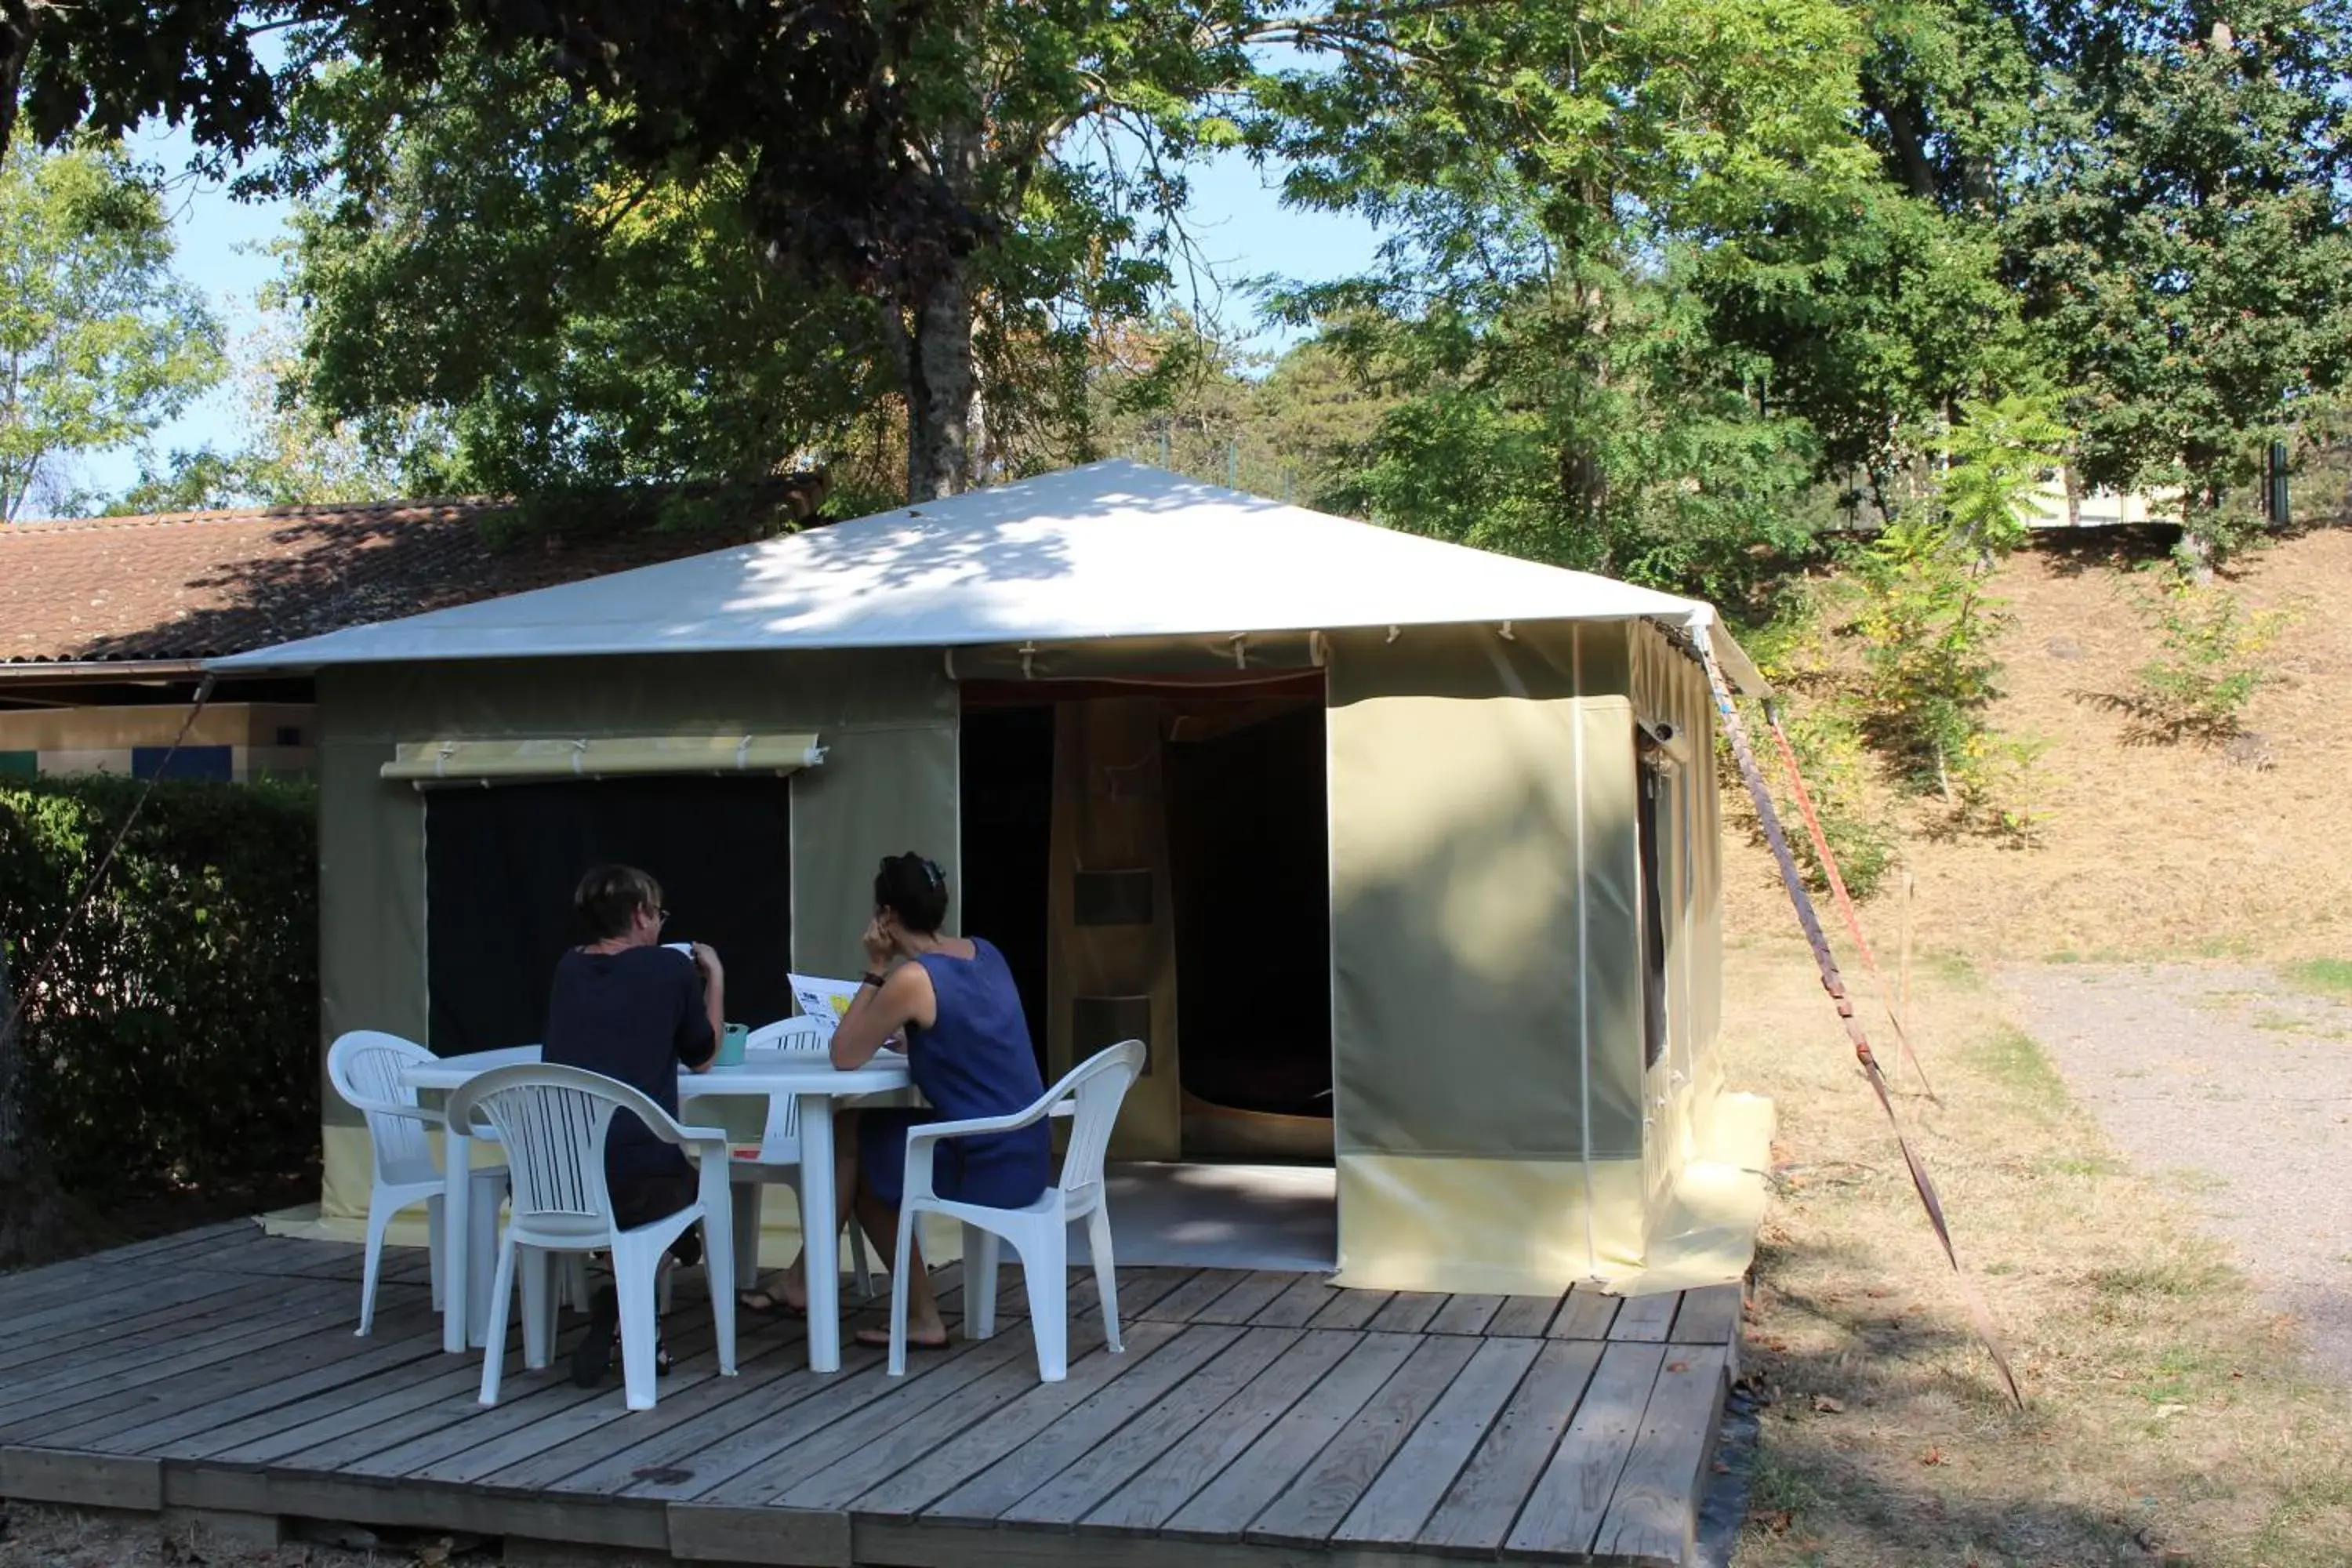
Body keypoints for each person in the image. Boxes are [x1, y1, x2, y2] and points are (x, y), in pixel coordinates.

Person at [739, 851, 1048, 1351]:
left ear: (885, 915)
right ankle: (803, 1279)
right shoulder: (984, 952)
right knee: (854, 1133)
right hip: (1026, 1148)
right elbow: (972, 1031)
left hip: (985, 1160)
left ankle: (915, 1314)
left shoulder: (912, 978)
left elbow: (844, 1055)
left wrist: (876, 968)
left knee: (861, 1157)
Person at [543, 863, 723, 1385]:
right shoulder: (667, 969)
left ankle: (626, 1316)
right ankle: (627, 1308)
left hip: (558, 1173)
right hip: (638, 1175)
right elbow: (704, 1056)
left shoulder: (567, 968)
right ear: (642, 915)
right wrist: (713, 976)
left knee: (635, 1186)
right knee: (690, 1185)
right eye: (658, 914)